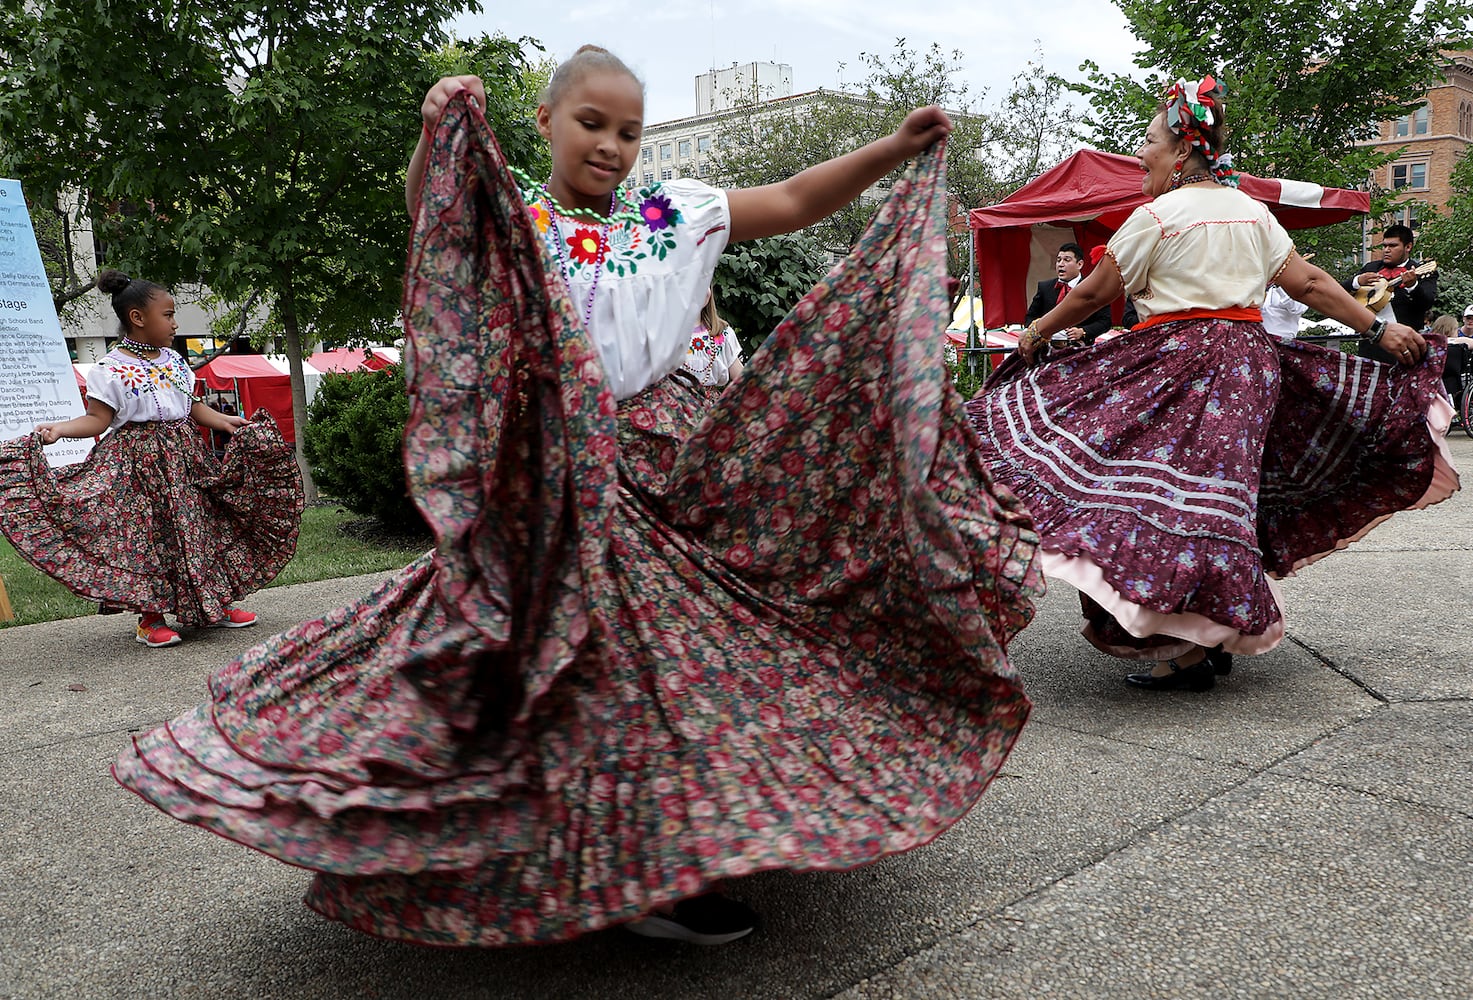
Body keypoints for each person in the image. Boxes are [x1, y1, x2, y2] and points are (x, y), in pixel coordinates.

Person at [114, 47, 1042, 949]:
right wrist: (435, 131)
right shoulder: (514, 217)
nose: (611, 144)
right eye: (592, 123)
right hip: (551, 479)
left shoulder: (679, 212)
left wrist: (890, 148)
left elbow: (795, 199)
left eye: (630, 131)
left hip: (665, 467)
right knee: (567, 668)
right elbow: (429, 211)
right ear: (547, 121)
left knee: (672, 665)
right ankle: (600, 864)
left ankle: (656, 857)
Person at [966, 75, 1457, 692]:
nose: (1140, 153)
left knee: (1141, 495)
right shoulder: (1252, 213)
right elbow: (1308, 284)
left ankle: (1186, 646)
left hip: (1174, 362)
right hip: (1248, 367)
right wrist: (1374, 331)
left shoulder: (1158, 215)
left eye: (1146, 141)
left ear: (1178, 152)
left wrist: (1036, 332)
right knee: (1216, 498)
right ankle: (1206, 631)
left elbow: (1094, 291)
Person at [0, 270, 304, 646]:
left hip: (184, 460)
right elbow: (98, 419)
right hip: (137, 465)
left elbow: (192, 408)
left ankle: (212, 602)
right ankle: (150, 617)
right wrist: (61, 429)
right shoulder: (109, 369)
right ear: (137, 318)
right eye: (169, 315)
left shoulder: (175, 362)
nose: (175, 323)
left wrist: (226, 421)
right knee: (149, 537)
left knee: (199, 529)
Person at [1343, 224, 1437, 364]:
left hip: (1404, 345)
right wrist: (1357, 281)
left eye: (1392, 246)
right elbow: (1340, 291)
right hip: (1370, 345)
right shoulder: (1371, 268)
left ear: (1408, 247)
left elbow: (1427, 302)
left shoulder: (1419, 271)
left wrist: (1413, 286)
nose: (1386, 250)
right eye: (1384, 246)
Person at [1025, 243, 1112, 344]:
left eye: (1067, 260)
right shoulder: (1045, 287)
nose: (1061, 264)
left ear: (1080, 264)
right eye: (1058, 260)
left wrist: (1083, 331)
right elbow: (1030, 317)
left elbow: (1105, 322)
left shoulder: (1092, 287)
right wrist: (1039, 332)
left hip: (1081, 347)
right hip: (1048, 345)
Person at [682, 288, 744, 389]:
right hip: (671, 401)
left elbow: (743, 380)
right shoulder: (662, 334)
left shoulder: (722, 333)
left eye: (705, 282)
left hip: (710, 404)